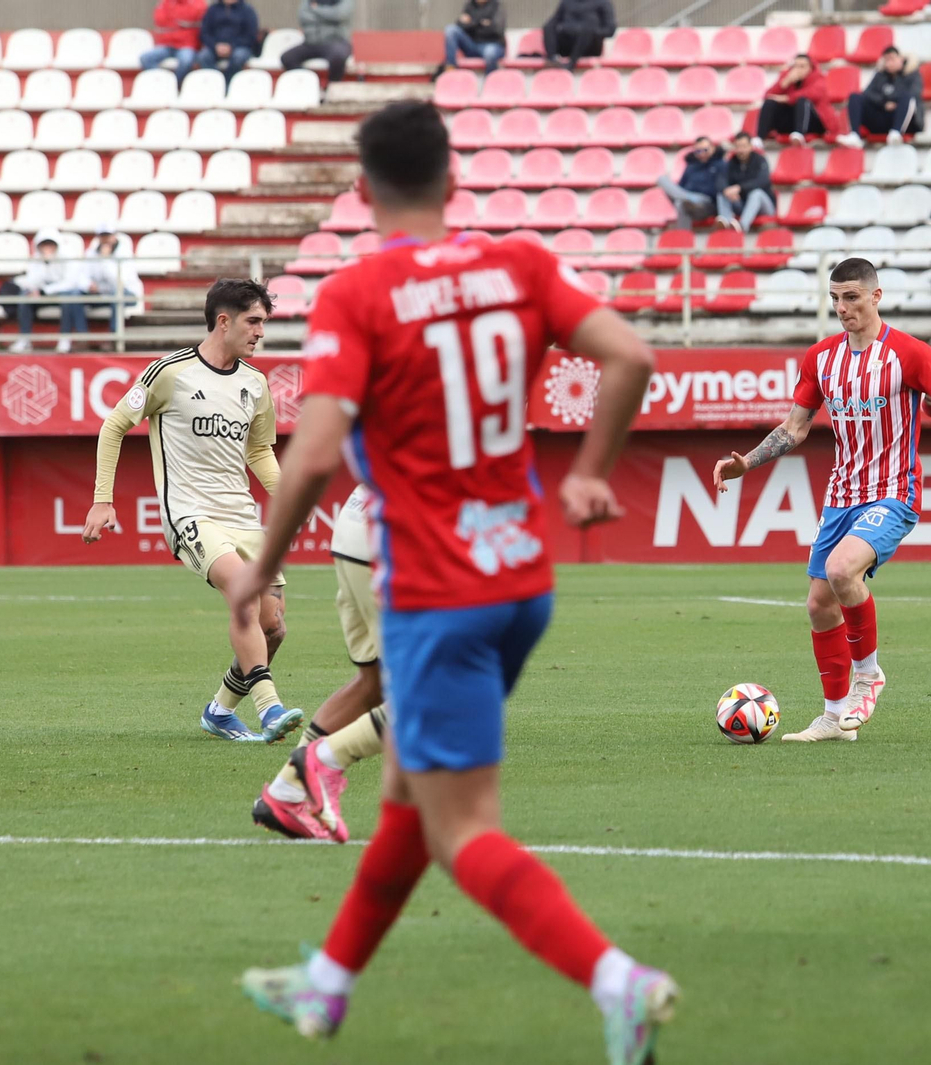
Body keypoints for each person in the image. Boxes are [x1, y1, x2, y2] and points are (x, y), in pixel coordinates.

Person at [236, 100, 678, 1061]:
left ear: (361, 190)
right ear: (453, 181)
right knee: (409, 794)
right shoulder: (516, 263)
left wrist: (260, 569)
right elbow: (632, 355)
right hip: (521, 580)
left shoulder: (358, 294)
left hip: (440, 595)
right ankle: (327, 985)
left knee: (463, 829)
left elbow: (312, 450)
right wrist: (593, 470)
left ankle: (620, 981)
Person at [713, 258, 931, 743]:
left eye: (852, 297)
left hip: (893, 492)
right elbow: (794, 427)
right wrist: (748, 463)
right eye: (836, 298)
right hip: (841, 496)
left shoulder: (909, 353)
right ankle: (833, 718)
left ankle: (870, 675)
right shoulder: (821, 358)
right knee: (820, 604)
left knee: (844, 571)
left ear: (875, 296)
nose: (843, 308)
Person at [82, 278, 304, 746]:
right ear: (224, 321)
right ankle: (271, 709)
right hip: (190, 514)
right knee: (242, 593)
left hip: (242, 516)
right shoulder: (169, 372)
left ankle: (220, 711)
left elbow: (260, 450)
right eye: (254, 321)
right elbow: (114, 426)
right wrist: (104, 498)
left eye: (264, 322)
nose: (261, 332)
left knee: (274, 626)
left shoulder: (254, 383)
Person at [253, 483, 389, 842]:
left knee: (373, 684)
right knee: (442, 693)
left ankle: (287, 791)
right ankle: (324, 760)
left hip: (356, 522)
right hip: (394, 539)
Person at [61, 224, 143, 343]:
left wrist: (105, 259)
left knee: (117, 294)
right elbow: (82, 276)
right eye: (102, 236)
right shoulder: (91, 253)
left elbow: (120, 282)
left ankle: (113, 338)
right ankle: (82, 337)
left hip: (127, 293)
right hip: (100, 293)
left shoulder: (125, 253)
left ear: (114, 236)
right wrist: (88, 285)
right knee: (75, 295)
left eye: (107, 235)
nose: (105, 239)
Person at [8, 229, 80, 354]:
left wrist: (46, 290)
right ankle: (25, 338)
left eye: (51, 244)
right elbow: (32, 280)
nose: (48, 248)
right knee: (25, 296)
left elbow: (70, 283)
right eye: (44, 244)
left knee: (69, 297)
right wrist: (45, 263)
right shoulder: (36, 259)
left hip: (60, 292)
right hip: (42, 293)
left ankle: (65, 338)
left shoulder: (67, 257)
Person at [836, 46, 922, 148]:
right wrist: (884, 103)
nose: (890, 63)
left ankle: (896, 133)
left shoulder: (912, 75)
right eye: (887, 60)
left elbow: (914, 93)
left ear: (901, 59)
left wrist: (892, 100)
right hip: (881, 117)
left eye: (893, 59)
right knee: (855, 97)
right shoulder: (880, 75)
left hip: (903, 120)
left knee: (907, 98)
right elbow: (867, 94)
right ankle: (855, 135)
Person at [756, 54, 848, 145]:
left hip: (814, 122)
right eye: (795, 66)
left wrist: (787, 98)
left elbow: (813, 94)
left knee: (802, 101)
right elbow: (768, 96)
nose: (798, 69)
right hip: (791, 121)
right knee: (769, 103)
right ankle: (759, 138)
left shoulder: (819, 78)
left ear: (810, 68)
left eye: (802, 66)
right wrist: (785, 83)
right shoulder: (786, 77)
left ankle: (799, 134)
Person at [657, 136, 725, 229]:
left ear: (712, 148)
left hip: (707, 202)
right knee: (663, 180)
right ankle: (686, 199)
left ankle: (683, 238)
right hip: (687, 198)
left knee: (680, 203)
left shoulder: (720, 164)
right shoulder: (691, 166)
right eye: (698, 151)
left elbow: (720, 189)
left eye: (705, 150)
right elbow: (681, 186)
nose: (702, 154)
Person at [282, 0, 355, 83]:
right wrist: (329, 16)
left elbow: (340, 14)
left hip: (336, 41)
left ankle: (332, 87)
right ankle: (311, 84)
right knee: (288, 58)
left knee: (338, 56)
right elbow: (303, 15)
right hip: (311, 43)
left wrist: (316, 9)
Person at [718, 131, 776, 232]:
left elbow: (762, 181)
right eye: (738, 146)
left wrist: (739, 188)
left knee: (756, 193)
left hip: (763, 206)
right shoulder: (731, 162)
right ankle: (725, 223)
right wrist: (727, 190)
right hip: (742, 203)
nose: (741, 150)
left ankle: (743, 226)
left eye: (744, 146)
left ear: (750, 146)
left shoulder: (760, 160)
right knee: (722, 193)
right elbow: (720, 179)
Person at [139, 0, 206, 84]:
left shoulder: (197, 2)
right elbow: (159, 19)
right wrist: (181, 23)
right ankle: (165, 83)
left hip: (187, 44)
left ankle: (174, 85)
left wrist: (175, 19)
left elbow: (193, 16)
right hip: (167, 44)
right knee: (145, 58)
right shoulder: (166, 2)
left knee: (186, 61)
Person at [197, 0, 259, 86]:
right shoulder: (213, 10)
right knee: (203, 56)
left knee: (238, 57)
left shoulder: (247, 10)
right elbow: (205, 33)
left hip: (239, 46)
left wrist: (232, 46)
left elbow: (250, 35)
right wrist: (215, 46)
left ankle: (227, 84)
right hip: (215, 46)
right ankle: (216, 84)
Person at [540, 0, 615, 70]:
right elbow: (554, 21)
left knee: (589, 26)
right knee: (549, 26)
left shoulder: (603, 2)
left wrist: (592, 32)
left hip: (589, 47)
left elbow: (610, 31)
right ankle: (552, 59)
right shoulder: (567, 2)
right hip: (567, 45)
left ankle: (571, 64)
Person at [442, 0, 506, 74]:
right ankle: (451, 70)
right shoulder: (470, 5)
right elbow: (460, 24)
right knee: (451, 30)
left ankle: (489, 82)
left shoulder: (497, 5)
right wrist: (481, 23)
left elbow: (497, 30)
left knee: (490, 54)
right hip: (472, 45)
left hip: (491, 44)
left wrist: (471, 23)